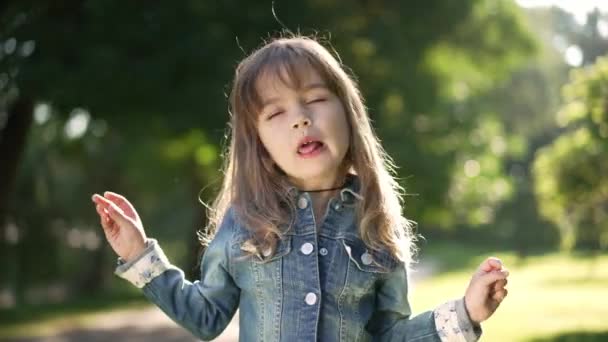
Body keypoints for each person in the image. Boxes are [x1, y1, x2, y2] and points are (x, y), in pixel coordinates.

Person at [91, 35, 509, 341]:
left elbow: (392, 335)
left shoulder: (375, 224)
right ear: (261, 146)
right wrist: (138, 254)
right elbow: (205, 317)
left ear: (349, 114)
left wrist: (466, 312)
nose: (300, 119)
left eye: (315, 99)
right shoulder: (245, 222)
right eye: (275, 113)